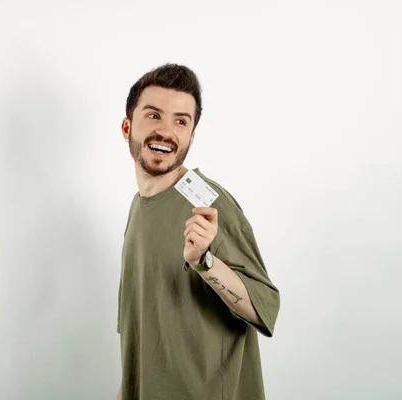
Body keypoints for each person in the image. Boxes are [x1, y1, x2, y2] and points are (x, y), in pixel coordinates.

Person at [116, 63, 280, 400]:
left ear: (191, 137)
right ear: (126, 126)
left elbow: (266, 308)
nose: (166, 131)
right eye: (153, 115)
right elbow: (140, 332)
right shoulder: (138, 206)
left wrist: (205, 261)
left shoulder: (206, 202)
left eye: (180, 121)